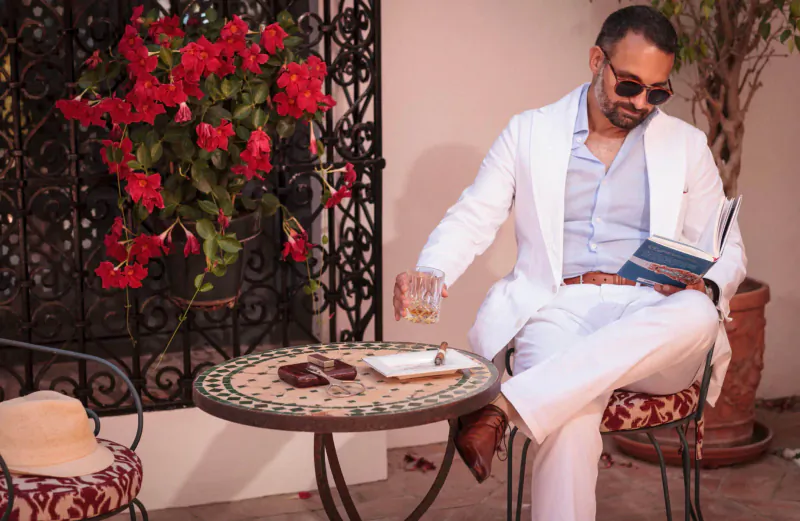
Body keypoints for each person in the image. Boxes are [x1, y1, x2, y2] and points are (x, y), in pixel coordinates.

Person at [392, 6, 746, 521]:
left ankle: (506, 408)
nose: (641, 103)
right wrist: (433, 269)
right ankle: (537, 399)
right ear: (596, 60)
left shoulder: (687, 146)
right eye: (629, 85)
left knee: (700, 313)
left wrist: (706, 285)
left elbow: (728, 248)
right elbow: (473, 215)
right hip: (556, 306)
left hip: (654, 319)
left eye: (657, 92)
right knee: (571, 410)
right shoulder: (529, 132)